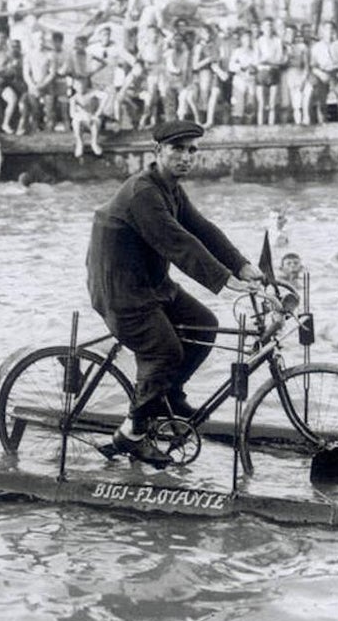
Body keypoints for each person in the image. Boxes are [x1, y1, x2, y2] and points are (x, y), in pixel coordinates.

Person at [86, 119, 265, 466]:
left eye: (192, 150)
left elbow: (201, 229)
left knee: (204, 325)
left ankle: (167, 396)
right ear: (158, 152)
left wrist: (242, 265)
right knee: (164, 350)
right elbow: (178, 243)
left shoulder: (169, 187)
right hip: (120, 290)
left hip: (150, 282)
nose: (185, 157)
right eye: (177, 149)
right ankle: (132, 433)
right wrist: (224, 279)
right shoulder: (143, 194)